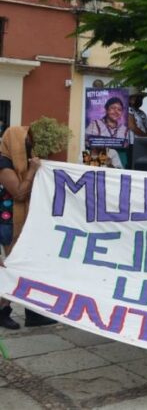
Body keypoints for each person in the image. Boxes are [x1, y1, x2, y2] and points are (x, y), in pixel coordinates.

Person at [0, 126, 57, 329]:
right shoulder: (3, 163)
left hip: (23, 222)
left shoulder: (19, 163)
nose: (29, 146)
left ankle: (34, 313)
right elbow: (19, 193)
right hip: (8, 224)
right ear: (14, 143)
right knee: (14, 268)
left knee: (30, 266)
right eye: (25, 142)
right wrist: (33, 171)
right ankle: (3, 311)